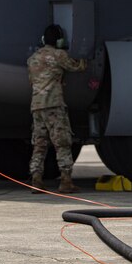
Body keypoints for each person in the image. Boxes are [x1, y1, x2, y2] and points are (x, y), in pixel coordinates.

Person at [28, 24, 86, 193]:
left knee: (39, 144)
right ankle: (66, 181)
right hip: (53, 104)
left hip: (37, 106)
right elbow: (78, 66)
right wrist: (83, 53)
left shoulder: (32, 58)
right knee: (62, 143)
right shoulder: (59, 55)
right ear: (59, 41)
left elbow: (31, 80)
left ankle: (36, 180)